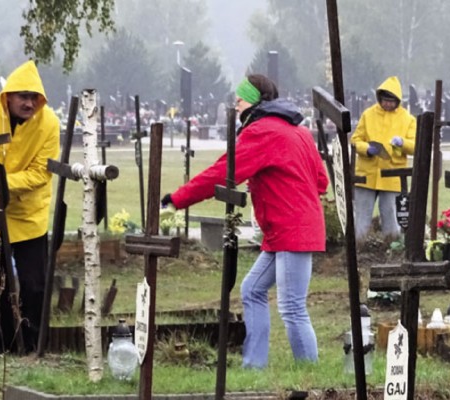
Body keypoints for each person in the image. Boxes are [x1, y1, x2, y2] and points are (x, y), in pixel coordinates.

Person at [161, 74, 328, 369]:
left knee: (291, 306)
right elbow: (321, 181)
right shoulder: (299, 131)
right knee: (252, 290)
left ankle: (309, 374)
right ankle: (254, 365)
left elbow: (222, 172)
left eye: (238, 101)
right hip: (286, 229)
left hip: (292, 230)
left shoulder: (261, 132)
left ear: (252, 101)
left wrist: (177, 199)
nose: (235, 107)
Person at [0, 60, 60, 353]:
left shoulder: (49, 124)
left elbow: (41, 173)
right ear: (9, 96)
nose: (29, 103)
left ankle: (32, 346)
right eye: (23, 96)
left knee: (34, 285)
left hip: (27, 213)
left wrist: (6, 181)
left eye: (34, 97)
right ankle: (1, 346)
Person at [350, 76, 416, 239]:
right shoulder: (368, 114)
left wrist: (402, 143)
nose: (387, 104)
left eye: (391, 101)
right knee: (361, 219)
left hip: (392, 176)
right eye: (384, 100)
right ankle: (358, 250)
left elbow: (415, 146)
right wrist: (367, 149)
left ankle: (392, 251)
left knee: (391, 218)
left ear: (398, 101)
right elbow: (355, 140)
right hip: (367, 175)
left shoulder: (408, 119)